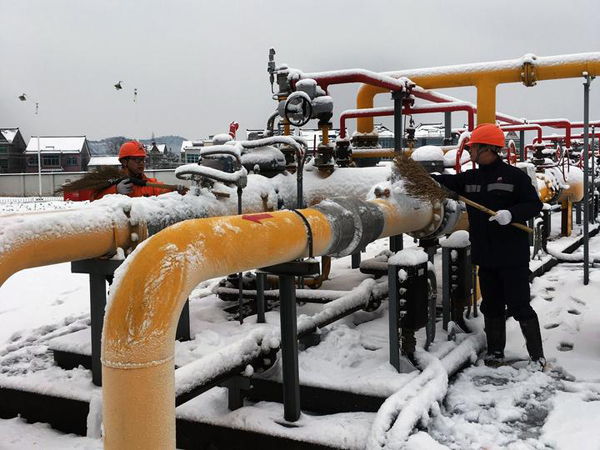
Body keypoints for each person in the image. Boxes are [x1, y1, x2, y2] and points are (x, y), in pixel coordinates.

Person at [432, 123, 545, 370]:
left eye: (473, 147)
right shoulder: (470, 177)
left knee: (519, 306)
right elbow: (446, 182)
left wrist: (512, 214)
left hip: (512, 257)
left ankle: (537, 357)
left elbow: (534, 204)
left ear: (487, 149)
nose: (470, 151)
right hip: (486, 256)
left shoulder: (515, 177)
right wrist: (422, 178)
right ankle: (495, 353)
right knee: (491, 306)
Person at [94, 141, 185, 199]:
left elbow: (161, 190)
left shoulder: (149, 184)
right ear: (125, 162)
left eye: (143, 160)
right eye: (137, 160)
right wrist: (115, 190)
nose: (141, 163)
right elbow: (93, 199)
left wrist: (175, 191)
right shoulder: (113, 183)